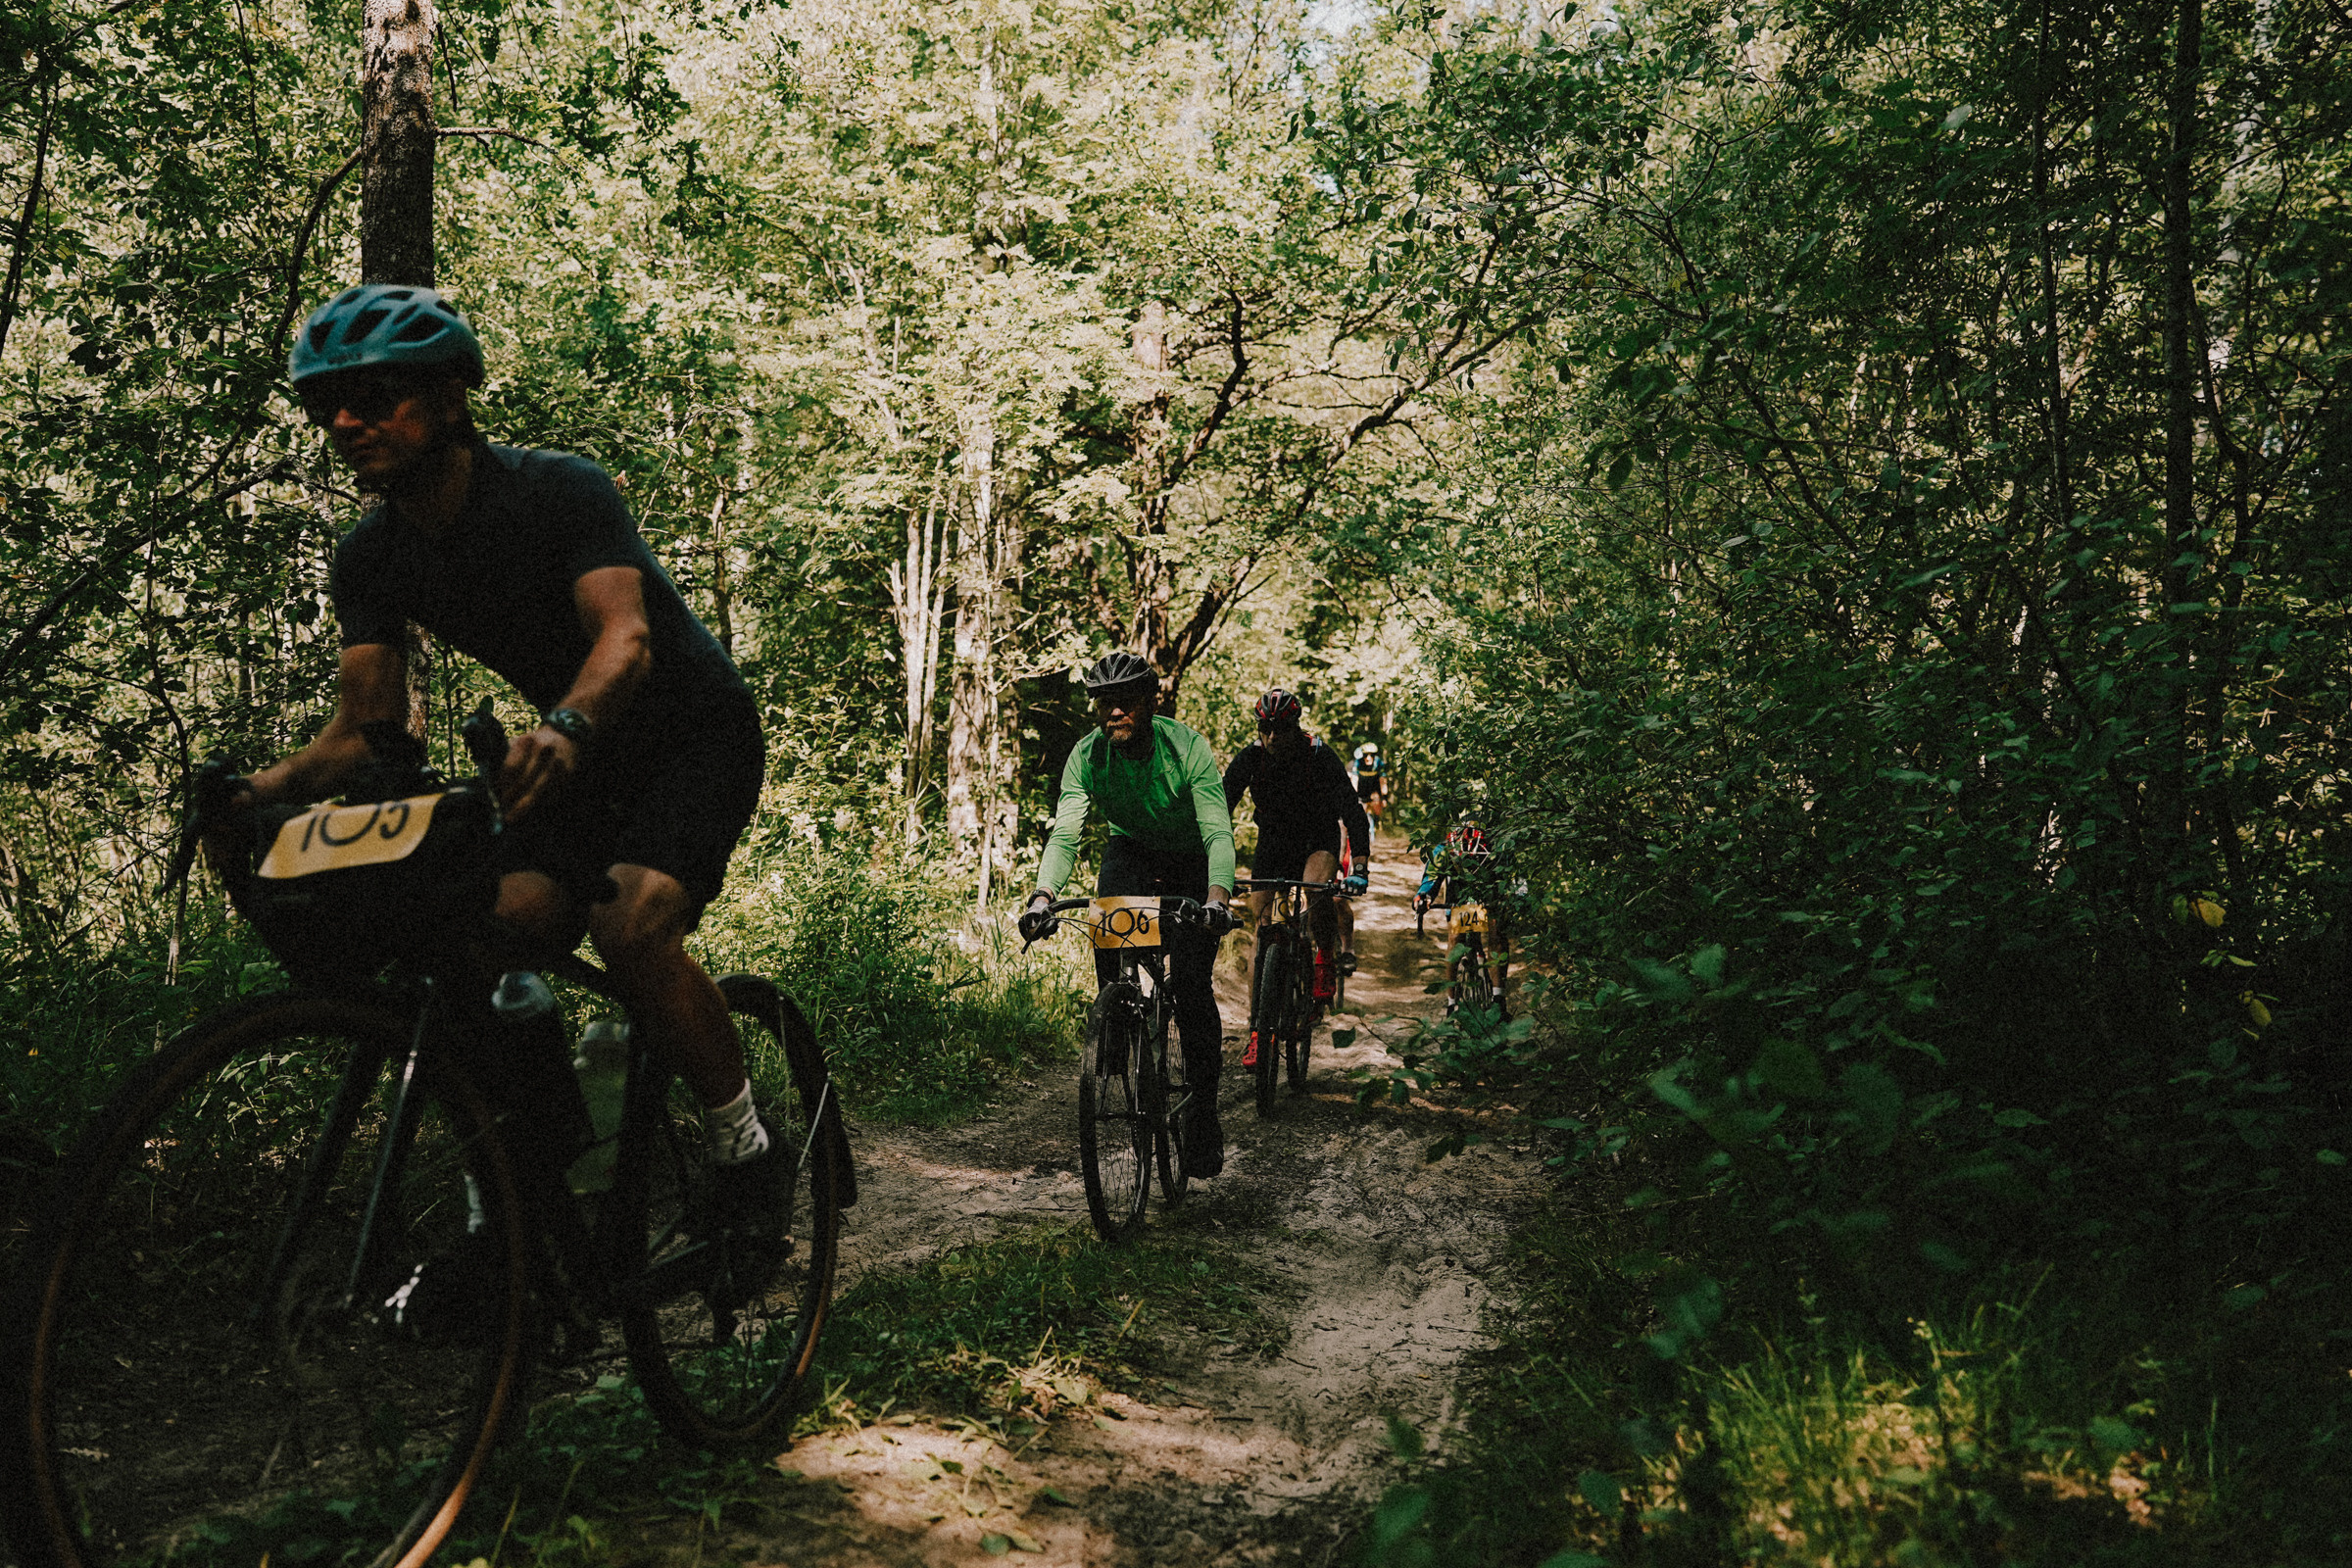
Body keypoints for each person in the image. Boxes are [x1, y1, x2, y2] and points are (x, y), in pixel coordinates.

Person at [220, 284, 779, 1242]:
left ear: (448, 399)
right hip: (574, 762)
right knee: (477, 933)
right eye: (326, 405)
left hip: (692, 733)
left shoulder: (559, 491)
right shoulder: (373, 557)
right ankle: (529, 1198)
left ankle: (745, 1151)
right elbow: (363, 731)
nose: (345, 422)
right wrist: (253, 794)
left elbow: (625, 638)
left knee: (629, 923)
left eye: (374, 396)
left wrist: (563, 726)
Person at [1020, 653, 1237, 1177]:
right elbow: (1066, 834)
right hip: (1132, 853)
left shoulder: (1186, 747)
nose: (1114, 711)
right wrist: (1042, 897)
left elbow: (1216, 831)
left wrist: (1216, 900)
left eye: (1125, 701)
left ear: (1150, 703)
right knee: (1107, 929)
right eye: (1104, 703)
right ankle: (1120, 1026)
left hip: (1190, 860)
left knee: (1191, 984)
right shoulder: (1087, 755)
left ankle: (1203, 1111)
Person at [1223, 690, 1370, 1064]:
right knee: (1263, 929)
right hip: (1273, 843)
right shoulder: (1251, 758)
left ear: (1296, 727)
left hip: (1317, 839)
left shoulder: (1319, 755)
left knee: (1314, 892)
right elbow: (1220, 806)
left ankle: (1324, 956)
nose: (1272, 736)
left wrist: (1360, 867)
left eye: (1281, 729)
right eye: (1265, 729)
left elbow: (1352, 811)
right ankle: (1258, 1031)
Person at [1414, 820, 1510, 1011]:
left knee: (1496, 934)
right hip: (1458, 896)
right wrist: (1423, 896)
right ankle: (1452, 1003)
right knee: (1455, 938)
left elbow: (1514, 877)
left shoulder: (1499, 848)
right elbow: (1431, 878)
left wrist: (1517, 896)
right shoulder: (1443, 851)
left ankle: (1498, 997)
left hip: (1489, 892)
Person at [1353, 740, 1389, 834]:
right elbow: (1354, 780)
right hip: (1361, 790)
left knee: (1377, 803)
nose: (1368, 758)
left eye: (1371, 755)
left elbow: (1383, 781)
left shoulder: (1379, 763)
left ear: (1374, 756)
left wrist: (1384, 797)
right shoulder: (1358, 763)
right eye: (1365, 755)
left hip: (1374, 790)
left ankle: (1378, 821)